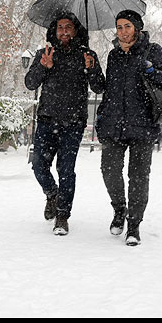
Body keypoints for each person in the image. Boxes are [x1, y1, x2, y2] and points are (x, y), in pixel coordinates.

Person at [95, 10, 162, 246]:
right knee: (109, 171)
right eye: (119, 27)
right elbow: (108, 90)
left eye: (127, 26)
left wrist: (151, 69)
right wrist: (102, 116)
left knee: (138, 177)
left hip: (142, 125)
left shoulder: (153, 50)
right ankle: (119, 209)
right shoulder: (113, 55)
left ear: (137, 28)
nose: (123, 31)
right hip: (113, 125)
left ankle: (134, 224)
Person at [25, 12, 105, 236]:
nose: (64, 31)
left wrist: (91, 68)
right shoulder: (45, 53)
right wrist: (43, 67)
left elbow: (99, 87)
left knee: (66, 170)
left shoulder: (87, 55)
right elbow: (30, 83)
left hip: (73, 122)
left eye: (68, 27)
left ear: (76, 30)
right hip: (47, 120)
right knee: (39, 166)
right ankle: (52, 193)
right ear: (54, 31)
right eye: (60, 27)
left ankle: (62, 215)